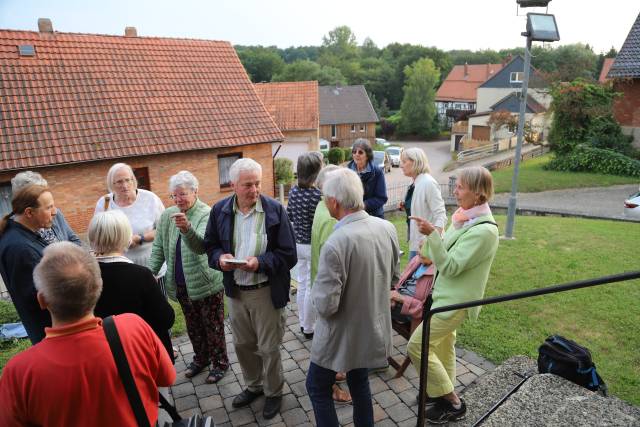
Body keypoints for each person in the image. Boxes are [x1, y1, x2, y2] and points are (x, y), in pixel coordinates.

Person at [0, 242, 175, 427]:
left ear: (42, 300)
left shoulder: (18, 372)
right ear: (97, 290)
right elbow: (167, 378)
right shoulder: (133, 328)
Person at [203, 158, 297, 420]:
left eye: (257, 183)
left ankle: (274, 391)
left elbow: (289, 255)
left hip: (265, 291)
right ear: (233, 185)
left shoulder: (275, 210)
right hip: (236, 292)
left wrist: (261, 263)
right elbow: (210, 246)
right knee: (243, 344)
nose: (254, 190)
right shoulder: (220, 210)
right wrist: (220, 259)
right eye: (247, 185)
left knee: (269, 347)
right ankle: (254, 386)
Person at [307, 168, 400, 427]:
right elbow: (394, 278)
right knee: (360, 383)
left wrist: (313, 293)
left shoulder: (336, 243)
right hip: (371, 330)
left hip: (340, 337)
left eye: (324, 197)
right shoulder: (387, 227)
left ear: (334, 201)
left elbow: (326, 305)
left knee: (316, 386)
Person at [407, 166, 499, 423]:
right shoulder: (464, 218)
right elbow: (444, 253)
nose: (454, 191)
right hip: (444, 297)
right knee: (444, 349)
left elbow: (451, 266)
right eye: (455, 185)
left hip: (456, 303)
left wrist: (432, 236)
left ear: (478, 195)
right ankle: (442, 396)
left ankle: (453, 403)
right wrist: (431, 243)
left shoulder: (484, 231)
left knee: (417, 345)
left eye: (460, 187)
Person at [150, 171, 228, 384]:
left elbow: (201, 246)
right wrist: (149, 273)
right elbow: (158, 246)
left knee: (213, 325)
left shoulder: (206, 213)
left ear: (195, 192)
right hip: (181, 283)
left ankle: (220, 363)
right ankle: (201, 358)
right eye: (174, 196)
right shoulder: (168, 215)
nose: (178, 200)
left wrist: (187, 228)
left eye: (182, 194)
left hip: (206, 282)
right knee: (193, 325)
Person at [89, 210, 175, 362]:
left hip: (105, 358)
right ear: (126, 237)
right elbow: (166, 319)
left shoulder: (85, 276)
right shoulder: (141, 275)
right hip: (142, 356)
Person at [309, 164, 351, 404]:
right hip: (328, 291)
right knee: (329, 342)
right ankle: (332, 387)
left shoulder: (320, 207)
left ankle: (335, 374)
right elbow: (334, 267)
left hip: (320, 283)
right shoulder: (331, 221)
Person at [0, 185, 57, 343]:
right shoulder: (21, 249)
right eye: (49, 207)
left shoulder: (22, 235)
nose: (55, 211)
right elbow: (36, 299)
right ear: (29, 212)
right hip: (49, 333)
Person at [94, 163, 166, 285]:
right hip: (120, 269)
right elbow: (98, 235)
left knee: (157, 302)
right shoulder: (104, 203)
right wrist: (119, 242)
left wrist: (140, 238)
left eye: (128, 180)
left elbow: (164, 229)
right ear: (112, 185)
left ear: (133, 180)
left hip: (152, 266)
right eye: (119, 182)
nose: (125, 185)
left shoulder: (150, 199)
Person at [287, 152, 323, 340]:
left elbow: (290, 216)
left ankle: (303, 322)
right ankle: (309, 328)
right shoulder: (318, 195)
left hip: (298, 244)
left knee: (301, 284)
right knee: (310, 286)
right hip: (312, 246)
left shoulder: (293, 191)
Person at [11, 171, 82, 246]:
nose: (54, 212)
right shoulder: (16, 235)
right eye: (40, 192)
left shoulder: (55, 214)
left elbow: (74, 240)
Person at [400, 148, 447, 259]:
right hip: (416, 242)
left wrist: (432, 241)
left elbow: (441, 216)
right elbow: (420, 205)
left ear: (415, 162)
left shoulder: (428, 183)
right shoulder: (414, 182)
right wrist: (406, 206)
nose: (401, 165)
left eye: (404, 162)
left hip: (425, 245)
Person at [389, 241, 435, 326]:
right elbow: (400, 282)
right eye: (419, 247)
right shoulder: (417, 260)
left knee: (374, 304)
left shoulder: (436, 274)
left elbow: (424, 309)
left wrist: (401, 299)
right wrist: (392, 296)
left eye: (423, 249)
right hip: (397, 299)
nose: (418, 252)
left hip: (409, 309)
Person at [347, 138, 388, 218]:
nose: (356, 154)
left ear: (367, 155)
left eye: (360, 152)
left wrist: (362, 205)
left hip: (373, 216)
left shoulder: (377, 172)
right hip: (352, 216)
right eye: (354, 152)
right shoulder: (347, 171)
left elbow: (381, 198)